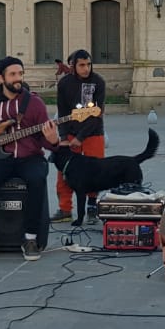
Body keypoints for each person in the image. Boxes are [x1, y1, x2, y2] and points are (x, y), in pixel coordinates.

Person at [0, 57, 59, 261]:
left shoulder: (34, 103)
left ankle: (30, 238)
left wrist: (53, 139)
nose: (18, 78)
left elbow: (45, 140)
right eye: (13, 74)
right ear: (1, 78)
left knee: (36, 180)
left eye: (20, 73)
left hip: (30, 158)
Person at [54, 49, 107, 225]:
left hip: (93, 133)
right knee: (64, 173)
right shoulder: (64, 84)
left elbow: (96, 115)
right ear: (73, 66)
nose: (86, 68)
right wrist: (63, 137)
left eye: (89, 64)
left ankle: (92, 207)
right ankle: (65, 209)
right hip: (69, 132)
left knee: (96, 171)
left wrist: (81, 137)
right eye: (82, 65)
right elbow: (61, 111)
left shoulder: (98, 82)